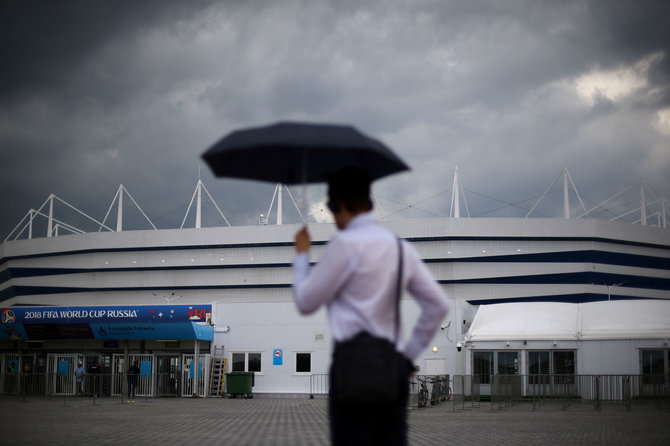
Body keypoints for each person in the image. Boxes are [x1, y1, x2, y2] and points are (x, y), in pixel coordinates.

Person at [292, 167, 449, 446]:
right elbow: (437, 305)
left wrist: (302, 255)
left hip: (350, 369)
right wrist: (406, 355)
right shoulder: (401, 249)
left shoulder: (343, 246)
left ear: (335, 203)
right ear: (370, 202)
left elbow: (306, 303)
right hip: (391, 368)